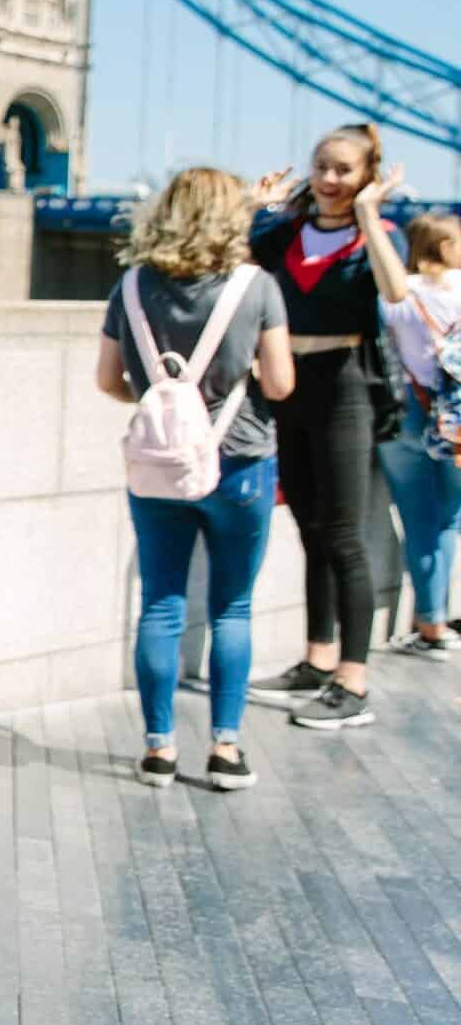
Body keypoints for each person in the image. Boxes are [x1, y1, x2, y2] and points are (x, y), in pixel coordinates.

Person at [97, 168, 295, 789]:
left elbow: (108, 381)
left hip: (157, 467)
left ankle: (158, 750)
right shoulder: (256, 287)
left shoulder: (130, 287)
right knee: (231, 607)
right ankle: (226, 750)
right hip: (240, 461)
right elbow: (281, 384)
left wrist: (165, 400)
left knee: (160, 603)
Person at [246, 127, 403, 731]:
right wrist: (253, 210)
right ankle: (316, 660)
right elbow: (226, 263)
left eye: (344, 169)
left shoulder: (378, 237)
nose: (330, 179)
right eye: (322, 167)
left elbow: (394, 292)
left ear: (366, 175)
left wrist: (368, 216)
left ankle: (353, 680)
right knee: (311, 529)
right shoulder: (284, 232)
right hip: (287, 385)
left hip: (346, 388)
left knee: (343, 534)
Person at [372, 210, 461, 659]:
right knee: (449, 519)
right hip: (458, 418)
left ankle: (430, 621)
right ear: (445, 246)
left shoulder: (397, 298)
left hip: (405, 411)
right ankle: (437, 619)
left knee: (418, 520)